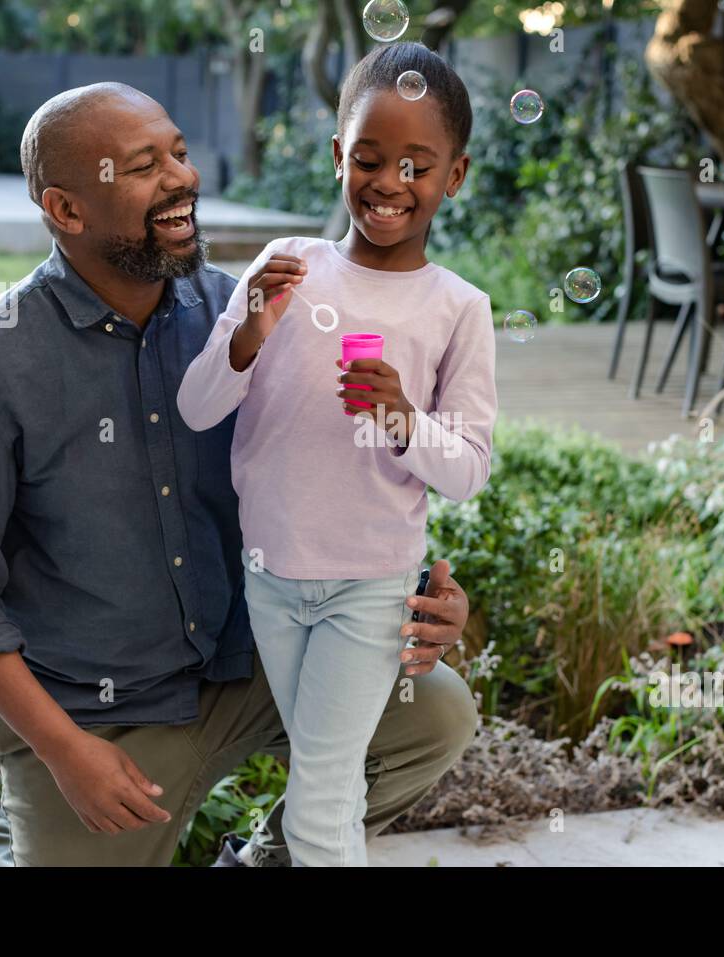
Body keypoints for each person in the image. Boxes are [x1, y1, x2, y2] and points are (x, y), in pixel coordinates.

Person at [0, 80, 478, 867]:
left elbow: (352, 464)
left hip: (257, 665)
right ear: (67, 210)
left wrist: (415, 595)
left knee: (434, 714)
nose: (183, 178)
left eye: (179, 152)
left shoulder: (250, 310)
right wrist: (66, 751)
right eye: (144, 166)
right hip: (100, 713)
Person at [177, 42, 495, 866]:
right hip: (272, 578)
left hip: (370, 583)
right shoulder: (289, 268)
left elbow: (465, 469)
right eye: (370, 158)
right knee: (335, 782)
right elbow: (197, 404)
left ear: (454, 176)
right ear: (338, 157)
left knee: (318, 797)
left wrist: (402, 418)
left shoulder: (460, 308)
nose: (390, 182)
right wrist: (248, 332)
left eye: (418, 166)